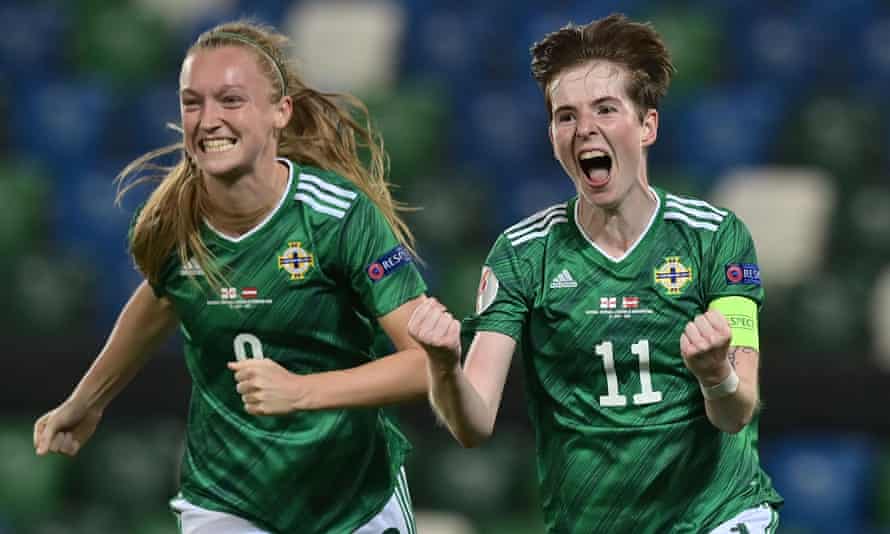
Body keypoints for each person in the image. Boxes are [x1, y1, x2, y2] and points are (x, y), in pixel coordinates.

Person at [33, 20, 428, 534]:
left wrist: (302, 391)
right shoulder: (171, 224)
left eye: (231, 100)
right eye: (192, 102)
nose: (208, 119)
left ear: (279, 112)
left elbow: (426, 364)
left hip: (353, 498)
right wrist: (86, 401)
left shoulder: (339, 217)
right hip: (229, 499)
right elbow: (159, 301)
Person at [407, 13, 783, 533]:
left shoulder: (715, 237)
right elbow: (474, 425)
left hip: (713, 517)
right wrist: (444, 367)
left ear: (647, 125)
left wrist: (716, 371)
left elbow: (736, 412)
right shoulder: (522, 254)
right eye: (566, 116)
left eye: (605, 109)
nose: (585, 128)